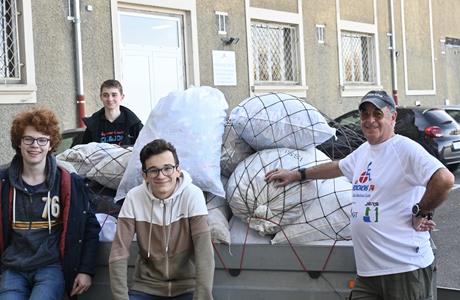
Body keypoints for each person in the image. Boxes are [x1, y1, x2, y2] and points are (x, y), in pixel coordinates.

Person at [265, 90, 455, 300]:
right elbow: (337, 167)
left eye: (377, 114)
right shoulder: (365, 151)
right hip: (369, 273)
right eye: (365, 114)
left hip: (404, 269)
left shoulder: (404, 149)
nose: (370, 120)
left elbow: (444, 180)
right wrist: (297, 174)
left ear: (392, 117)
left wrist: (421, 210)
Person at [0, 108, 101, 299]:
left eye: (42, 140)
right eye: (28, 139)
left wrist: (86, 270)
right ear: (19, 143)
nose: (34, 145)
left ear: (51, 144)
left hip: (50, 267)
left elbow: (89, 227)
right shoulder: (3, 184)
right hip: (12, 268)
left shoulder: (69, 183)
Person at [109, 139, 214, 300]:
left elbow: (204, 252)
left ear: (178, 170)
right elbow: (119, 251)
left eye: (167, 168)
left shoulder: (192, 195)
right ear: (144, 175)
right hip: (146, 287)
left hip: (186, 287)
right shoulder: (134, 198)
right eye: (153, 170)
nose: (161, 176)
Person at [79, 79, 143, 146]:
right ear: (101, 97)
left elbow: (147, 148)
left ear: (122, 97)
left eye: (114, 95)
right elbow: (84, 151)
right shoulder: (93, 125)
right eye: (105, 95)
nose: (110, 99)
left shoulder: (134, 124)